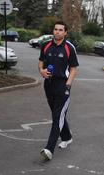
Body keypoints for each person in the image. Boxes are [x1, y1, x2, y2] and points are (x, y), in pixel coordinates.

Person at [38, 21, 79, 160]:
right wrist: (41, 71)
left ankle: (49, 149)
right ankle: (67, 137)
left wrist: (68, 85)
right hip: (48, 85)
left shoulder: (69, 47)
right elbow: (40, 62)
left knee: (57, 117)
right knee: (58, 114)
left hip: (63, 85)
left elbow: (73, 68)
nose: (57, 32)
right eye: (55, 29)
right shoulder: (46, 45)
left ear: (65, 32)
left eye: (61, 30)